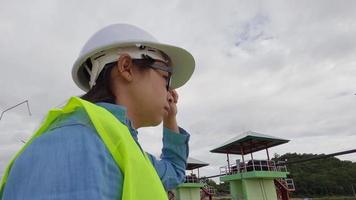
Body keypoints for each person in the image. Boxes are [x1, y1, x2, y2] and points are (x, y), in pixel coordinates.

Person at [0, 23, 195, 200]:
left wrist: (170, 117)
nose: (169, 91)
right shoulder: (72, 146)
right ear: (126, 68)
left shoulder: (124, 149)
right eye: (165, 77)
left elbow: (174, 171)